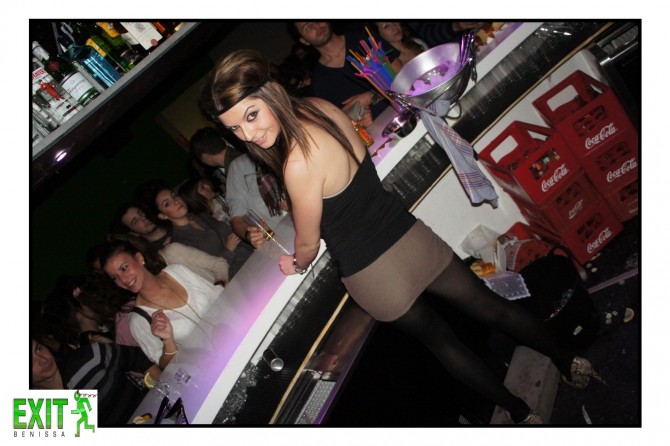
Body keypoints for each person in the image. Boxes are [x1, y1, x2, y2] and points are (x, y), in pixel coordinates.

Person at [206, 49, 603, 425]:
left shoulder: (296, 161)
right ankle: (569, 361)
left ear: (272, 91)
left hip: (373, 274)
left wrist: (294, 263)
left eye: (252, 116)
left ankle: (521, 415)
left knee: (445, 344)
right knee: (491, 307)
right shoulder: (320, 108)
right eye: (235, 129)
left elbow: (308, 246)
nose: (248, 134)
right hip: (408, 234)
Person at [100, 239, 225, 367]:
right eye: (115, 278)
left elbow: (220, 297)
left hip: (235, 337)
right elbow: (165, 367)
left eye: (124, 268)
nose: (123, 280)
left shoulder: (176, 271)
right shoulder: (138, 320)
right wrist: (168, 341)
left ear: (139, 259)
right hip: (214, 366)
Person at [30, 337, 160, 426]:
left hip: (156, 414)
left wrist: (163, 391)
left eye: (38, 349)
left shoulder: (87, 357)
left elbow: (137, 357)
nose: (43, 360)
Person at [142, 181, 254, 279]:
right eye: (167, 204)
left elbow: (234, 234)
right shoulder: (180, 242)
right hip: (239, 277)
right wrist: (228, 251)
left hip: (254, 257)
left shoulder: (200, 215)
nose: (175, 201)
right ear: (163, 215)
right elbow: (209, 274)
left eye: (174, 196)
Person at [289, 21, 393, 123]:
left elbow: (399, 72)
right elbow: (342, 120)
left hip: (400, 107)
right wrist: (354, 120)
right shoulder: (320, 81)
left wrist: (371, 96)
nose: (316, 25)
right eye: (308, 27)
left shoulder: (363, 38)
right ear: (304, 40)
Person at [111, 202, 230, 284]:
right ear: (133, 233)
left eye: (141, 213)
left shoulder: (177, 221)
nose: (143, 218)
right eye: (135, 221)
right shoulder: (160, 258)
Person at [225, 152, 290, 249]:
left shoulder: (287, 149)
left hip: (308, 223)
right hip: (280, 239)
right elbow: (237, 218)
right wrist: (250, 235)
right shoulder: (239, 166)